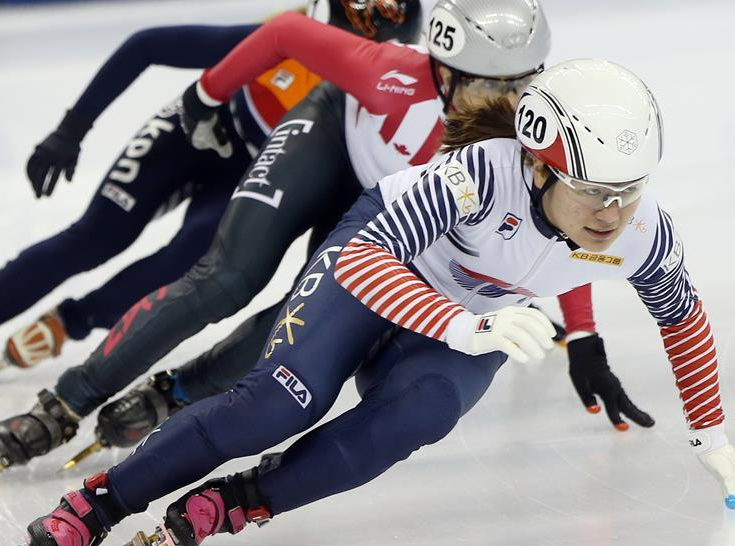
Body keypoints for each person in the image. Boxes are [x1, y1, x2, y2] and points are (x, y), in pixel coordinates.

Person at [19, 57, 733, 546]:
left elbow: (684, 319)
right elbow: (363, 259)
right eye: (593, 189)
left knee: (420, 414)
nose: (612, 212)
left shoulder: (641, 231)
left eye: (627, 190)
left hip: (465, 317)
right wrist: (463, 322)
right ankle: (99, 503)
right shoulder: (479, 176)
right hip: (383, 269)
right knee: (279, 402)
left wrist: (710, 437)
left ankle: (234, 505)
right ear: (536, 162)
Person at [0, 0, 653, 473]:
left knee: (301, 322)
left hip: (393, 207)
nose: (502, 105)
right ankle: (65, 402)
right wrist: (206, 95)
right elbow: (286, 30)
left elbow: (563, 236)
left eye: (519, 87)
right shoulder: (387, 73)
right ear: (440, 72)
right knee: (225, 279)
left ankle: (171, 395)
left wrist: (584, 337)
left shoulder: (533, 134)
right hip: (331, 144)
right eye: (484, 84)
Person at [0, 0, 419, 370]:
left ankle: (70, 321)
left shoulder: (383, 93)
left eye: (363, 58)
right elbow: (146, 46)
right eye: (331, 46)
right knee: (94, 238)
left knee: (187, 262)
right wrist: (71, 128)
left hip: (252, 168)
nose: (340, 63)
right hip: (192, 134)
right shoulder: (280, 37)